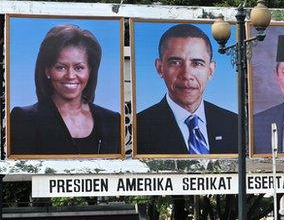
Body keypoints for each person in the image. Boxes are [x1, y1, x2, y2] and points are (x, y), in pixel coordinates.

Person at [10, 24, 120, 155]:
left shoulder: (111, 120)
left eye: (79, 68)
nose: (70, 76)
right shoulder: (25, 119)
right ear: (47, 70)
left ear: (90, 71)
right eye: (61, 67)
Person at [136, 24, 237, 155]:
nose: (186, 75)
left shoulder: (234, 124)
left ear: (211, 70)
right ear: (160, 68)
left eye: (197, 63)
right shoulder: (139, 128)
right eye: (175, 62)